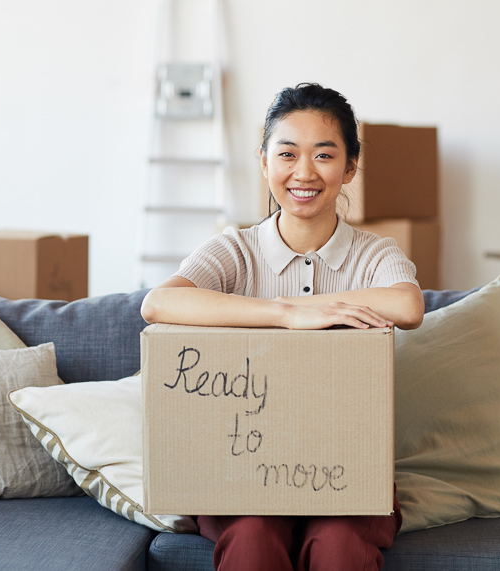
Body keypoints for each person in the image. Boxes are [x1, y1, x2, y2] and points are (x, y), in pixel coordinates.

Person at [140, 83, 424, 571]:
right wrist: (287, 313)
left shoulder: (374, 254)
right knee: (252, 535)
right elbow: (158, 302)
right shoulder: (235, 251)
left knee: (339, 544)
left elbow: (408, 305)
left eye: (324, 155)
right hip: (240, 469)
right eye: (287, 154)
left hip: (347, 468)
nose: (304, 173)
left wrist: (325, 304)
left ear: (351, 167)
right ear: (265, 161)